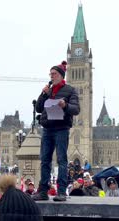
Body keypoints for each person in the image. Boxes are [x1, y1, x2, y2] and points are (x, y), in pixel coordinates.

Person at [32, 61, 80, 202]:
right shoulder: (48, 90)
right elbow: (39, 108)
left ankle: (61, 192)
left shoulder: (70, 90)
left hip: (61, 129)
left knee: (61, 160)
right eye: (50, 74)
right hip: (47, 129)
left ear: (61, 75)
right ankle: (43, 191)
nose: (51, 76)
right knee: (45, 160)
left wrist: (65, 105)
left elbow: (76, 109)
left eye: (54, 74)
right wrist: (44, 94)